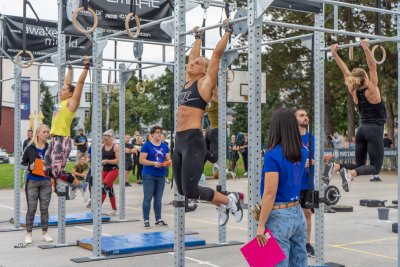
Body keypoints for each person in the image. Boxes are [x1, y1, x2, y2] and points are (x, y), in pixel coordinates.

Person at [172, 20, 243, 226]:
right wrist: (197, 37)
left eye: (195, 64)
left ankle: (230, 199)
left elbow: (215, 56)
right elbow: (194, 56)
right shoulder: (187, 80)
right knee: (183, 190)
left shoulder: (204, 84)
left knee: (192, 190)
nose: (190, 64)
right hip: (180, 140)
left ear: (204, 71)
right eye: (190, 63)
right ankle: (221, 203)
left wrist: (227, 32)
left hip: (194, 140)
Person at [323, 39, 387, 188]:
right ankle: (350, 174)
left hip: (361, 131)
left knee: (359, 164)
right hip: (374, 130)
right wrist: (365, 48)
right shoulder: (372, 90)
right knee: (376, 168)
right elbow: (372, 66)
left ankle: (337, 167)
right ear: (365, 78)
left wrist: (334, 54)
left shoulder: (354, 92)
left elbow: (345, 71)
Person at [256, 108, 308, 266]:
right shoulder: (303, 151)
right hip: (298, 213)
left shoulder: (272, 155)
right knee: (299, 262)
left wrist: (260, 226)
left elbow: (270, 193)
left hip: (278, 216)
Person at [44, 57, 90, 199]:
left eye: (63, 90)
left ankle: (81, 185)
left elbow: (79, 83)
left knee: (57, 172)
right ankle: (74, 184)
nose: (60, 91)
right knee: (47, 170)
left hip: (62, 141)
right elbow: (67, 82)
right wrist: (70, 69)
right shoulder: (61, 102)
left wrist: (86, 67)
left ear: (70, 93)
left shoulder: (71, 103)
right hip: (53, 140)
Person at [21, 125, 53, 244]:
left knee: (44, 209)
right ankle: (29, 234)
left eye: (48, 132)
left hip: (46, 181)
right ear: (38, 134)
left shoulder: (50, 148)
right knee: (32, 208)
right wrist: (29, 166)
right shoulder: (30, 148)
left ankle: (45, 232)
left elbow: (55, 163)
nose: (47, 133)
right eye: (44, 132)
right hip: (32, 181)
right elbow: (22, 164)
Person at [139, 126, 170, 228]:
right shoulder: (147, 145)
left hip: (161, 175)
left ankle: (158, 219)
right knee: (148, 198)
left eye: (161, 132)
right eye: (157, 132)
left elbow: (168, 159)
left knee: (158, 199)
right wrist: (153, 163)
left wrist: (167, 163)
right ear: (151, 134)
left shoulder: (165, 146)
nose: (159, 134)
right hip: (149, 174)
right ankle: (146, 220)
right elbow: (141, 160)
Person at [295, 108, 315, 257]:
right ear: (295, 120)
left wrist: (313, 161)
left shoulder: (312, 139)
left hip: (308, 184)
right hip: (294, 184)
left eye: (306, 115)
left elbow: (318, 157)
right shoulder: (291, 138)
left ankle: (307, 244)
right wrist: (301, 162)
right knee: (292, 215)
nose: (305, 118)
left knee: (307, 214)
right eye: (301, 115)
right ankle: (295, 243)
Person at [101, 129, 120, 216]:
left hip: (113, 170)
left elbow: (117, 160)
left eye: (106, 139)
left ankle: (97, 208)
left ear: (111, 138)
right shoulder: (102, 146)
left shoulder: (115, 147)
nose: (105, 141)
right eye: (104, 139)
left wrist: (107, 161)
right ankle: (114, 209)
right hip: (105, 170)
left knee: (103, 187)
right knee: (110, 189)